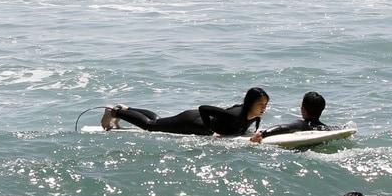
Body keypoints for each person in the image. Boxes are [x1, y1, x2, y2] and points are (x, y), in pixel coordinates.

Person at [100, 87, 269, 137]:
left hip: (194, 119)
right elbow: (204, 108)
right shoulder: (235, 115)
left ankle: (127, 109)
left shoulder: (254, 115)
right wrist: (212, 129)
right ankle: (114, 112)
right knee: (151, 126)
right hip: (191, 122)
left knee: (158, 119)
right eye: (260, 104)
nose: (263, 108)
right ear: (249, 103)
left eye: (265, 104)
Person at [250, 91, 331, 143]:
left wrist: (262, 134)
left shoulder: (303, 124)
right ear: (322, 109)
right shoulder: (325, 128)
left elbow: (283, 127)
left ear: (303, 108)